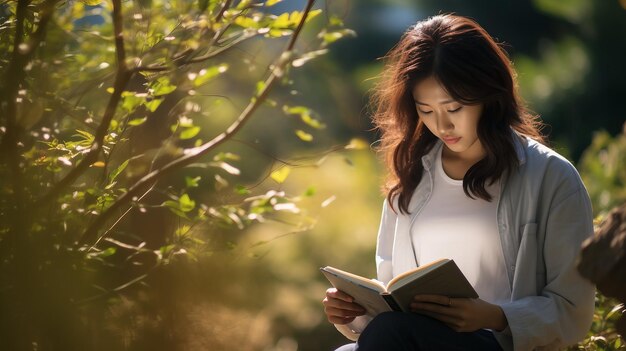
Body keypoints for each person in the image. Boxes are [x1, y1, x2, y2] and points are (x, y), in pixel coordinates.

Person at [322, 13, 595, 351]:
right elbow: (391, 295)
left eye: (454, 108)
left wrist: (494, 316)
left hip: (497, 345)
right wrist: (353, 311)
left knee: (392, 333)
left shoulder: (551, 176)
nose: (442, 126)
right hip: (412, 339)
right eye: (426, 110)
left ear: (487, 93)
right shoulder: (411, 178)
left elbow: (573, 310)